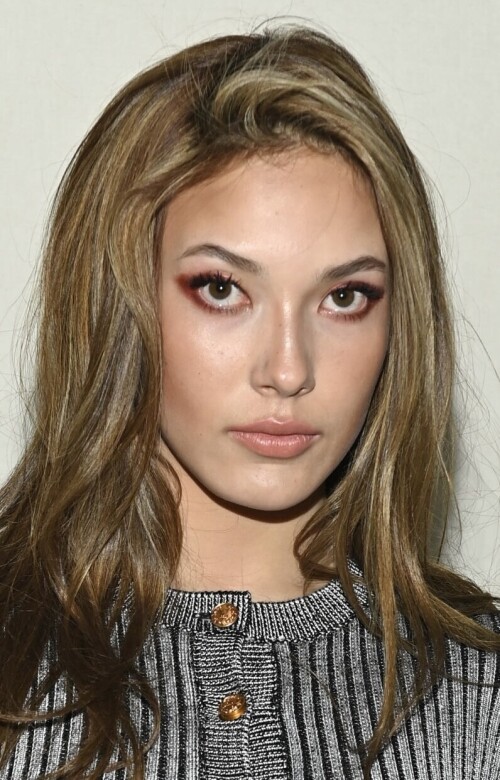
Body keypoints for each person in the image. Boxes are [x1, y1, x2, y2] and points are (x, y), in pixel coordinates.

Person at [0, 24, 499, 780]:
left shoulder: (479, 688)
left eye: (344, 296)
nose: (289, 370)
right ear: (119, 298)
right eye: (223, 289)